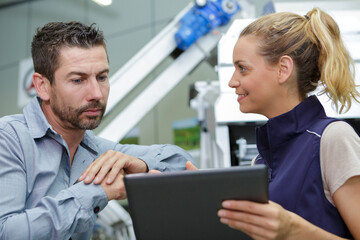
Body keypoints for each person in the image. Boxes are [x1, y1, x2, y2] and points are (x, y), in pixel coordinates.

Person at [0, 21, 193, 240]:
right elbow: (6, 232)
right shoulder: (8, 139)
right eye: (78, 80)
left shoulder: (97, 152)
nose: (96, 93)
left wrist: (141, 165)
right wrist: (97, 191)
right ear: (43, 86)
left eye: (101, 77)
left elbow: (183, 165)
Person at [214, 7, 360, 239]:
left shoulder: (332, 139)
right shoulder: (260, 161)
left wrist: (293, 230)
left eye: (242, 68)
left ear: (283, 69)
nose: (232, 81)